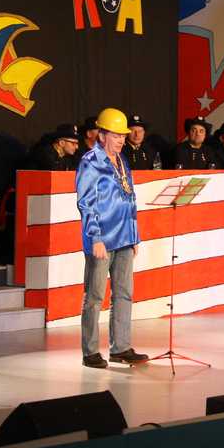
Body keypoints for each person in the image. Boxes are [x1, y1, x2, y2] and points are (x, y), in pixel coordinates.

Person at [76, 107, 148, 367]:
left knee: (124, 294)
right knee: (94, 297)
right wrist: (95, 238)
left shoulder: (122, 161)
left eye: (123, 136)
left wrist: (134, 234)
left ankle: (121, 348)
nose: (121, 140)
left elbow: (130, 198)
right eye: (116, 135)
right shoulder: (90, 162)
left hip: (125, 237)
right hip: (102, 239)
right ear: (102, 135)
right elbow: (86, 203)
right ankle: (90, 352)